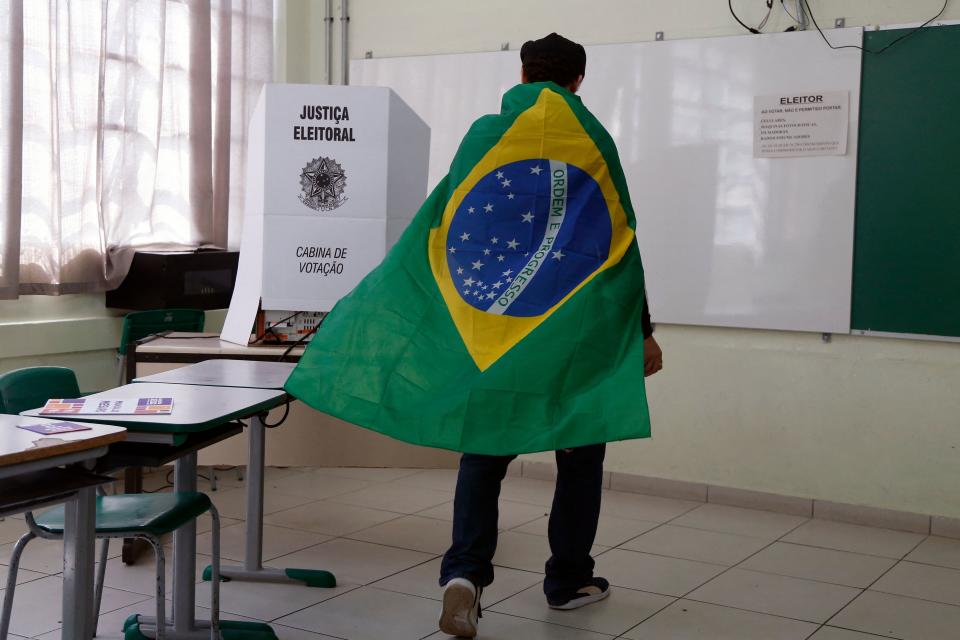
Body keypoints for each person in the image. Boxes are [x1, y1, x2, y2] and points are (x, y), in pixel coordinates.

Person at [438, 32, 664, 639]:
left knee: (483, 454)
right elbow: (620, 245)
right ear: (578, 80)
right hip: (575, 330)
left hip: (498, 328)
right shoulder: (593, 139)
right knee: (579, 457)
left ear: (522, 72)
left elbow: (451, 228)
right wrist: (642, 331)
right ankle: (567, 581)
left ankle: (464, 576)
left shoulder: (484, 136)